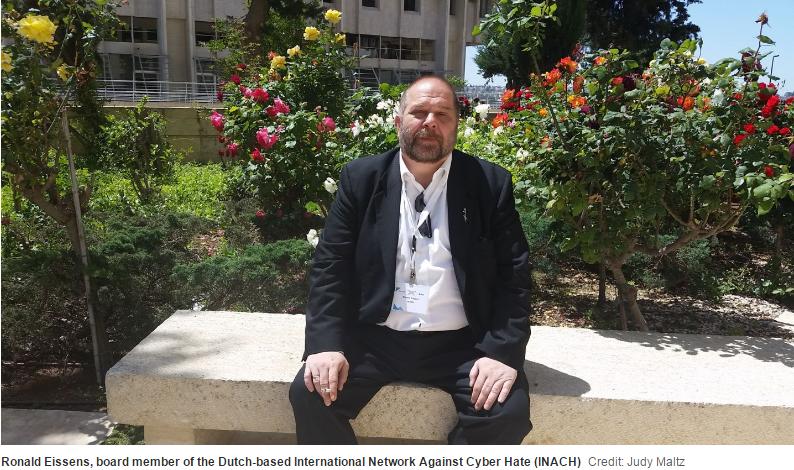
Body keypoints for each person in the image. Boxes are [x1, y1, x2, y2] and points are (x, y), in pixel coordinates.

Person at [289, 75, 532, 444]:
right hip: (375, 338)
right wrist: (325, 345)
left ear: (456, 125)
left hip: (463, 342)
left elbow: (514, 274)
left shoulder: (489, 184)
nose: (430, 122)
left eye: (443, 114)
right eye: (419, 112)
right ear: (398, 121)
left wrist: (501, 351)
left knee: (506, 414)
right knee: (310, 396)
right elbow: (330, 267)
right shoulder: (361, 179)